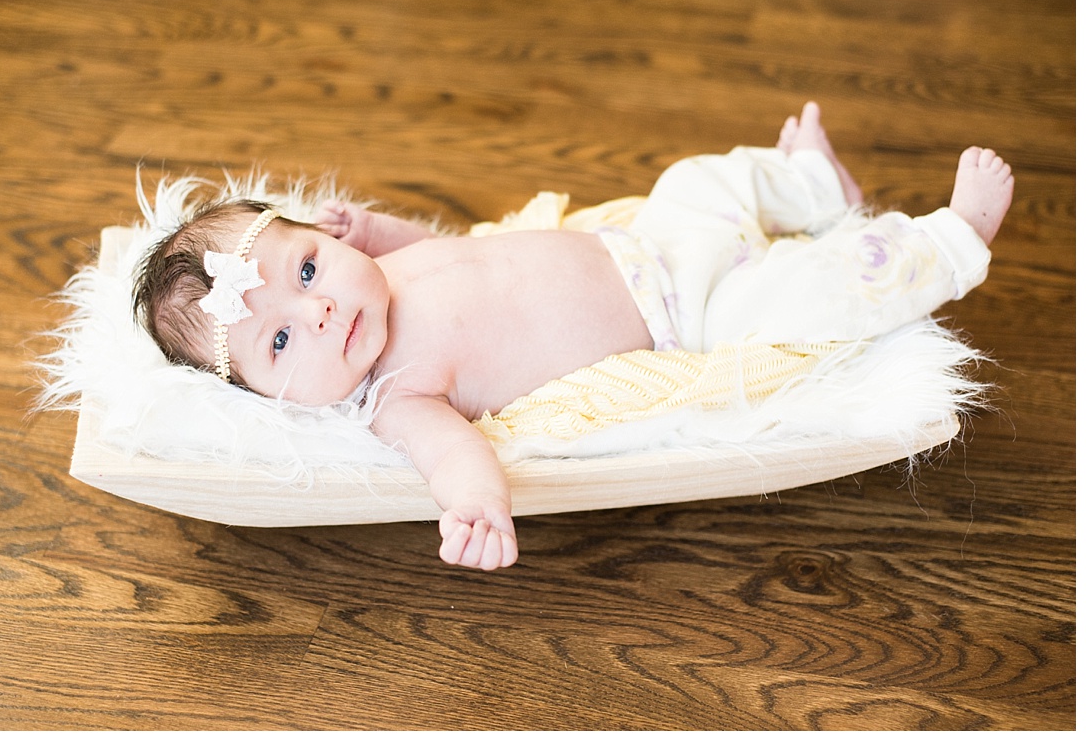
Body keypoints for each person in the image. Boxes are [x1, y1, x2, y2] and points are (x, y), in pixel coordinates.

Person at [132, 102, 1013, 571]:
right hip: (688, 317)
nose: (317, 312)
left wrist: (380, 229)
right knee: (813, 296)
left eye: (309, 270)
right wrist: (474, 507)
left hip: (651, 241)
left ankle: (809, 182)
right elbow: (453, 458)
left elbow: (446, 250)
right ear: (266, 398)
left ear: (324, 241)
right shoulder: (395, 396)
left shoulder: (381, 277)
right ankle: (946, 240)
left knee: (700, 178)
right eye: (280, 344)